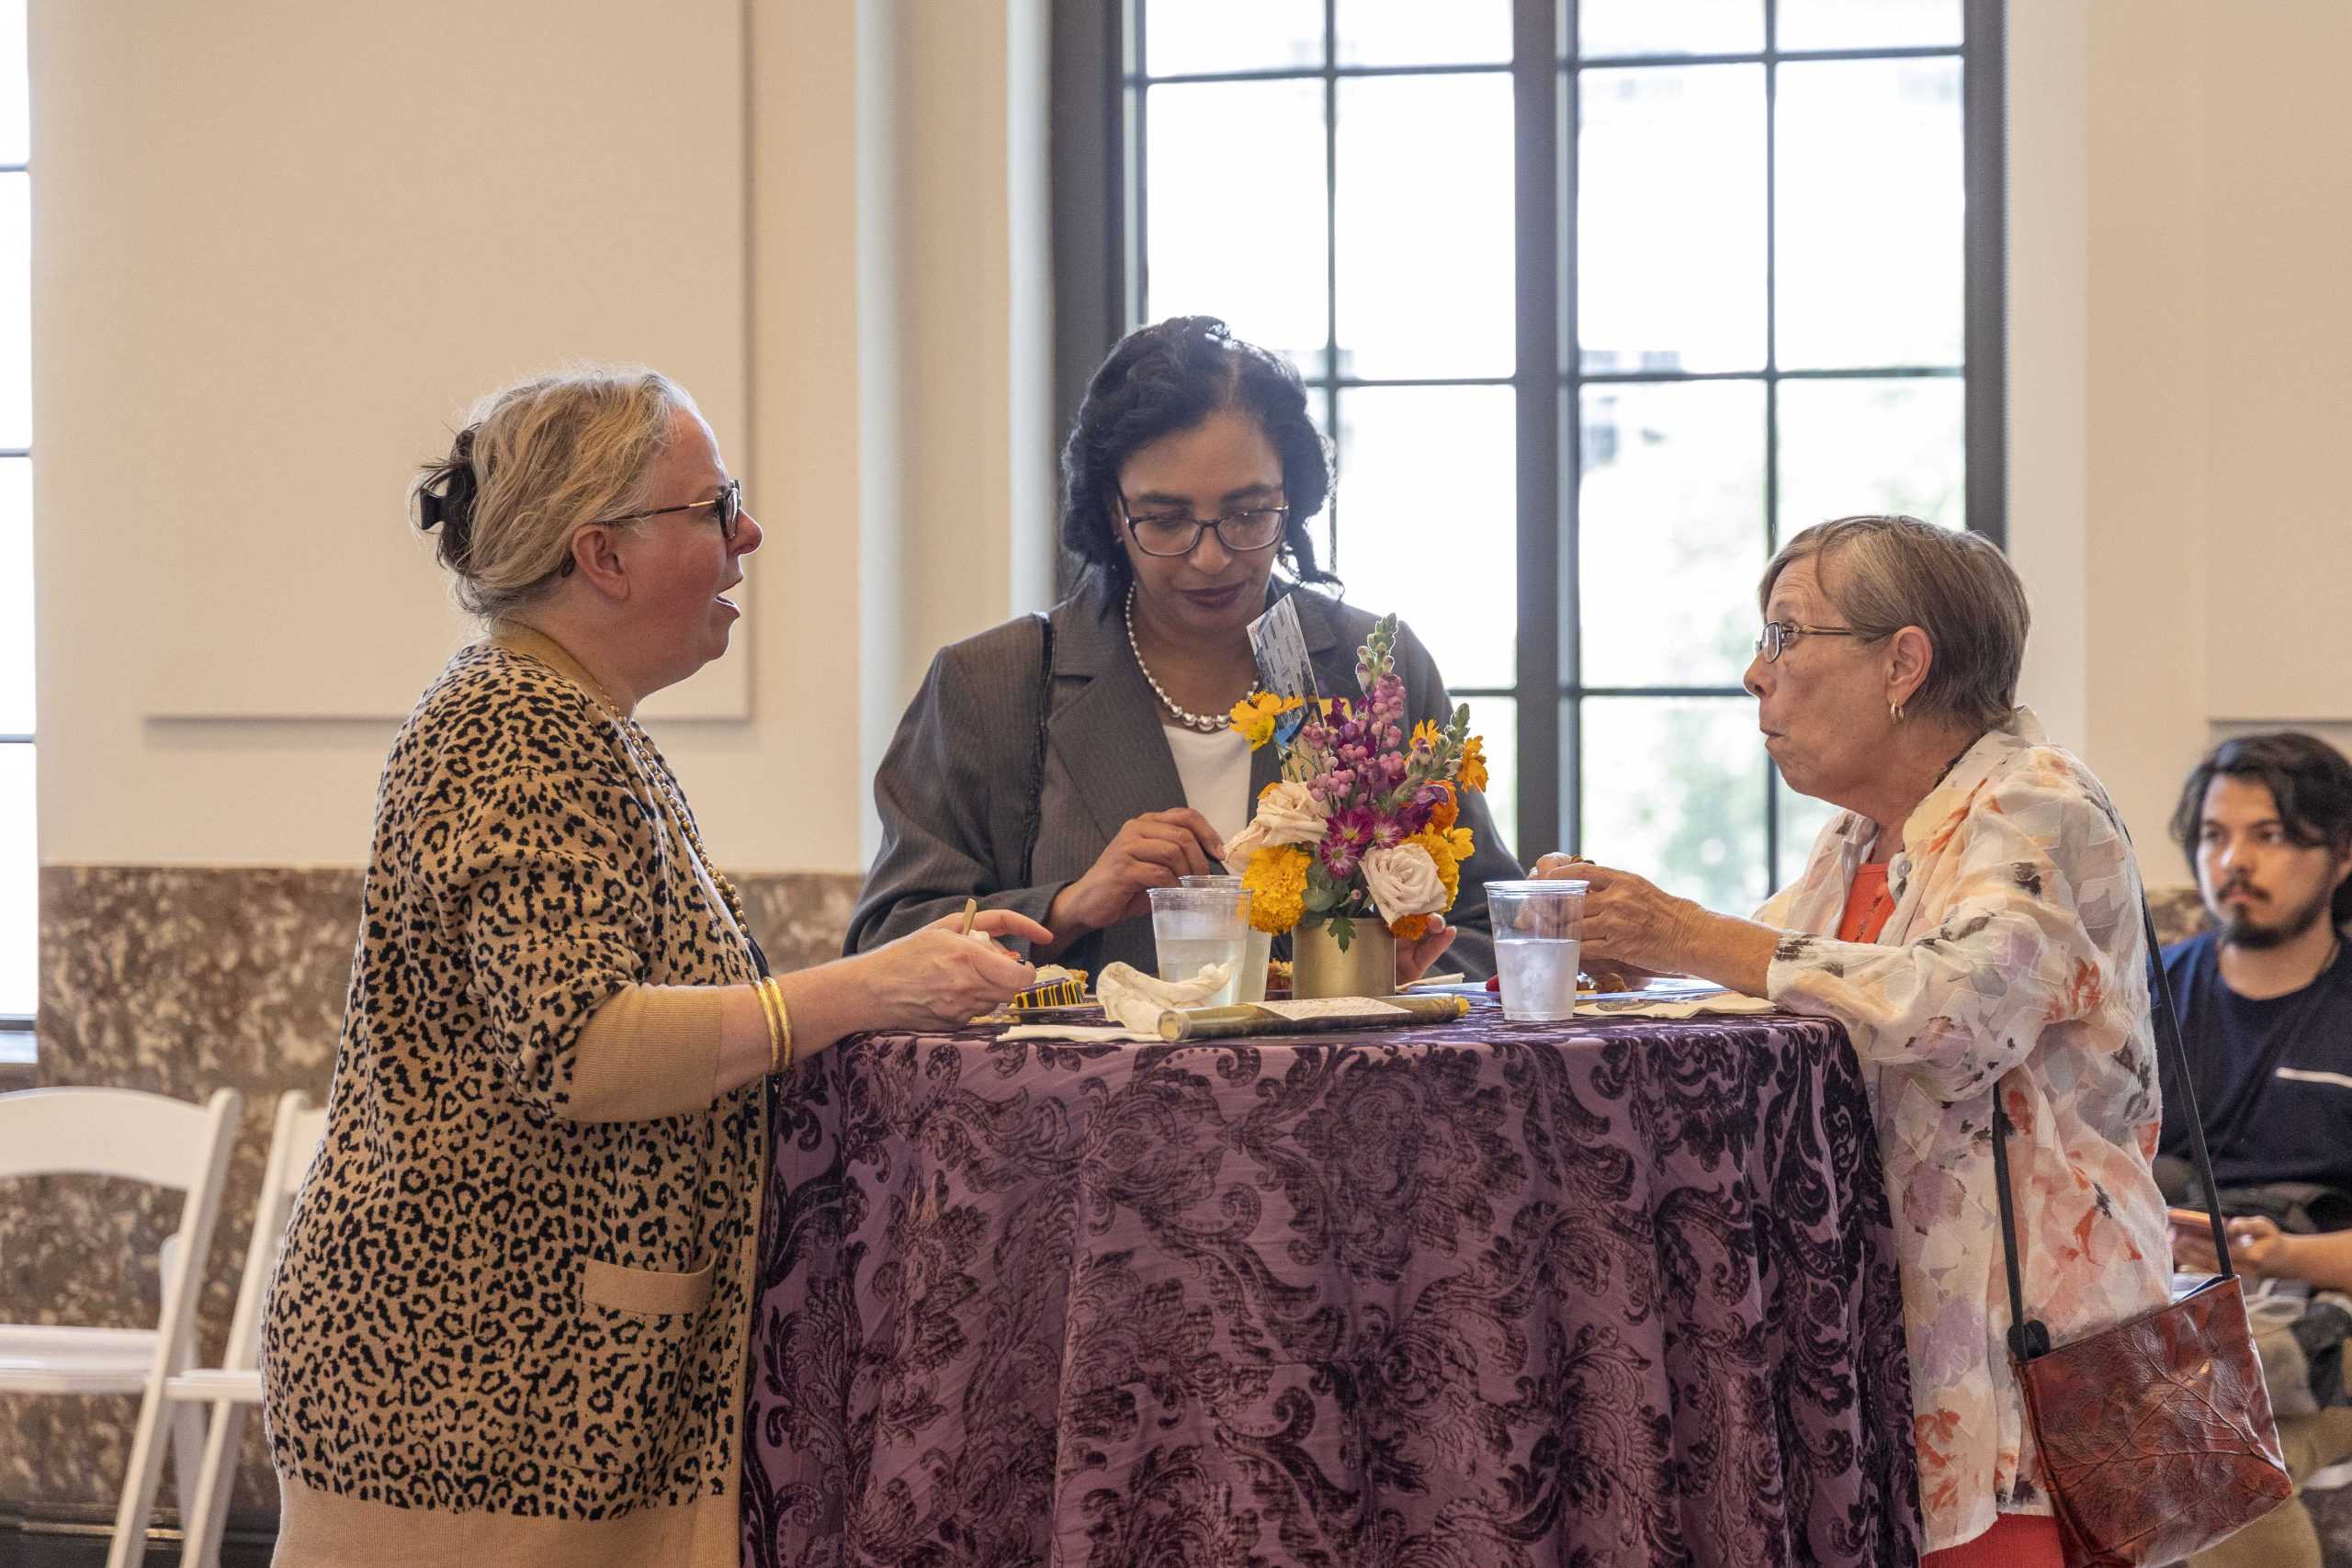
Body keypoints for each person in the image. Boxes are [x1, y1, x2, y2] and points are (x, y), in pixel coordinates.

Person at [260, 367, 1043, 1568]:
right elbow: (585, 1046)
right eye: (713, 503)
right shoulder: (509, 722)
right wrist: (871, 989)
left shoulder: (579, 718)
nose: (750, 532)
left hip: (545, 1381)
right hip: (468, 1391)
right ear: (603, 554)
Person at [1531, 514, 2171, 1566]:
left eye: (1784, 636)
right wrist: (1631, 953)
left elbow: (1958, 1011)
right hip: (1894, 1350)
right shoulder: (1862, 837)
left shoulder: (2035, 802)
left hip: (2031, 1369)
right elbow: (1781, 992)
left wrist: (1686, 932)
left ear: (1903, 662)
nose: (1753, 673)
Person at [847, 316, 1521, 980]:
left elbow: (1488, 934)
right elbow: (884, 948)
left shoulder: (1373, 669)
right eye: (1166, 520)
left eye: (1247, 513)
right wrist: (1067, 907)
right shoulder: (994, 684)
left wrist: (1397, 966)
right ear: (1113, 512)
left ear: (1293, 498)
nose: (1209, 556)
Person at [2158, 732, 2352, 1568]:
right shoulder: (2151, 986)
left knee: (2218, 1386)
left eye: (2269, 835)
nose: (2233, 859)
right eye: (2214, 834)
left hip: (2322, 1306)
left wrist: (2290, 1252)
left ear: (2341, 856)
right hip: (2169, 1289)